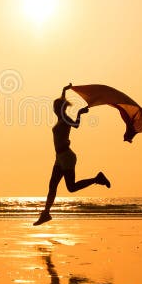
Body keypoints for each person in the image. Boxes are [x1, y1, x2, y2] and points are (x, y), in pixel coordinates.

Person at [34, 83, 110, 226]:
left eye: (55, 107)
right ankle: (46, 214)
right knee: (52, 186)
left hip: (67, 157)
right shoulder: (59, 118)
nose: (53, 109)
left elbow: (76, 125)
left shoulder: (65, 118)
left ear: (59, 108)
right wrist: (63, 90)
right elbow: (62, 103)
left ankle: (97, 178)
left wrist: (79, 114)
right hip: (59, 158)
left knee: (71, 187)